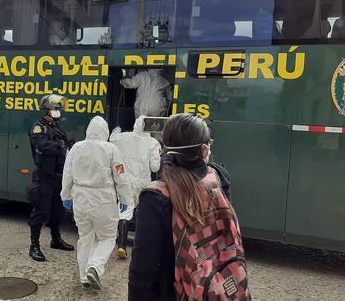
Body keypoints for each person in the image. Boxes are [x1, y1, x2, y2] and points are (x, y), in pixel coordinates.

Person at [128, 114, 250, 300]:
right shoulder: (218, 177)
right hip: (223, 283)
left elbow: (143, 270)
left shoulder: (156, 197)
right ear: (203, 149)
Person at [61, 116, 132, 291]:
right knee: (107, 237)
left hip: (80, 198)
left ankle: (84, 276)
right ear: (105, 132)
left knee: (85, 238)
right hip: (103, 199)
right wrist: (125, 199)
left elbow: (67, 174)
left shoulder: (76, 148)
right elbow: (120, 175)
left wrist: (66, 196)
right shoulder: (111, 149)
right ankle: (95, 267)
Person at [28, 94, 75, 262]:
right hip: (44, 177)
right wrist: (61, 147)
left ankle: (56, 239)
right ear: (46, 110)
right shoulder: (38, 127)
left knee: (58, 210)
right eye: (55, 109)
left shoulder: (57, 128)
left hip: (59, 177)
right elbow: (42, 145)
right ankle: (34, 245)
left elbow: (66, 145)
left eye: (58, 109)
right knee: (40, 211)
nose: (58, 111)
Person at [109, 116, 161, 259]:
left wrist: (116, 130)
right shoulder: (153, 143)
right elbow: (155, 167)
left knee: (124, 211)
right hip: (142, 183)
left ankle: (121, 246)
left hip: (126, 181)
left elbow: (112, 139)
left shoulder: (123, 137)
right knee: (142, 213)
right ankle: (142, 248)